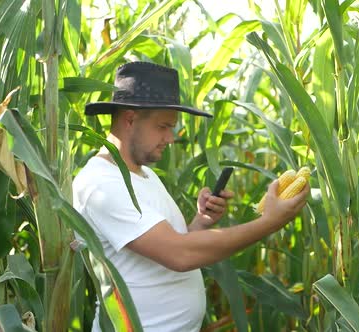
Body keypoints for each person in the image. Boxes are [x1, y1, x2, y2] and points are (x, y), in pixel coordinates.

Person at [72, 61, 309, 331]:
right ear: (129, 119)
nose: (170, 138)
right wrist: (269, 223)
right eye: (163, 126)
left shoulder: (144, 176)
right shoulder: (101, 184)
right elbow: (179, 254)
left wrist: (201, 221)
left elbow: (164, 245)